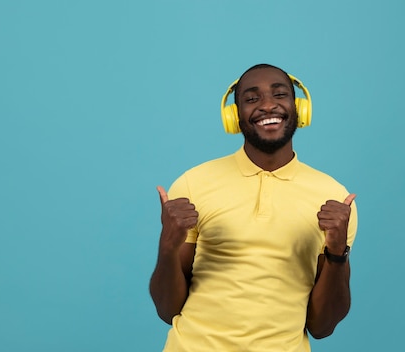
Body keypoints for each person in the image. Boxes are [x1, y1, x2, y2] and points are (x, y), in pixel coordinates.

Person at [149, 64, 358, 351]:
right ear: (234, 117)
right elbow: (167, 310)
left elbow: (322, 327)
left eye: (279, 94)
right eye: (251, 98)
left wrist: (336, 254)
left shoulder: (333, 198)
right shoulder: (192, 184)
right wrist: (167, 247)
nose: (268, 105)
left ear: (299, 108)